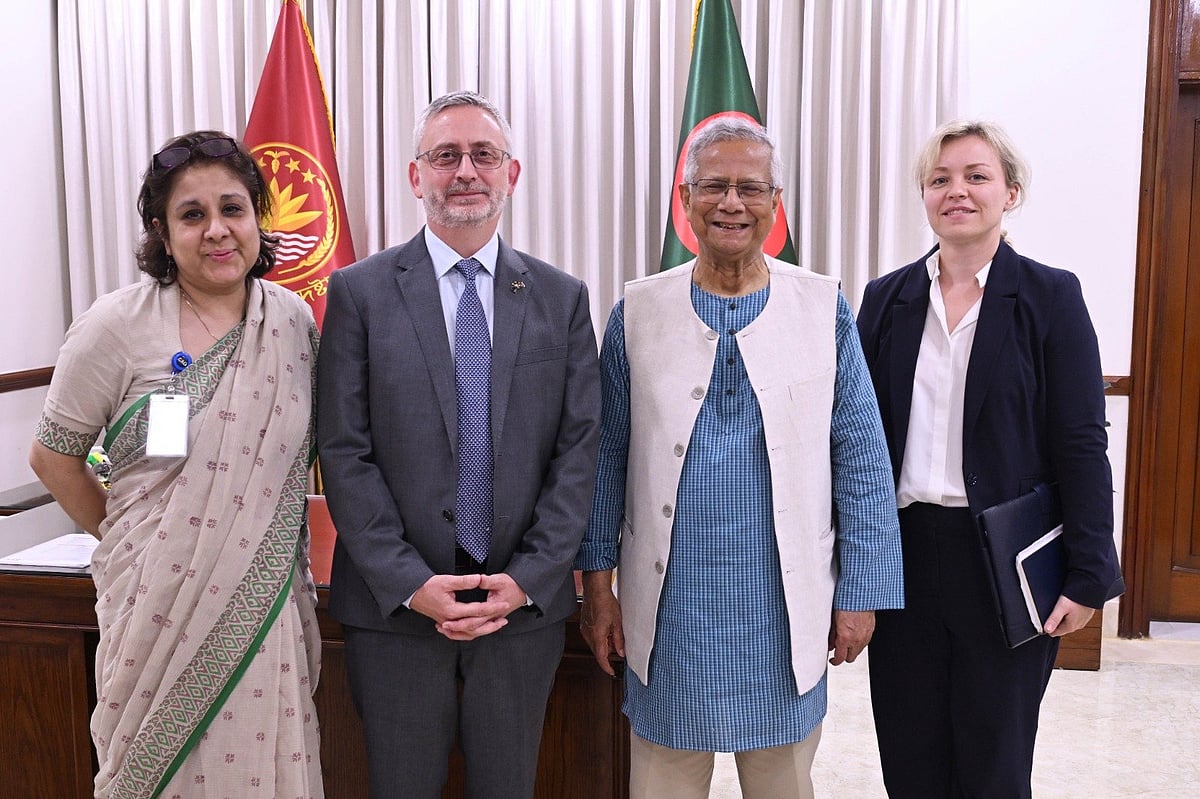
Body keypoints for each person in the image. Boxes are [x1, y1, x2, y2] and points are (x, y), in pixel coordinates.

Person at [576, 116, 904, 799]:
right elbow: (604, 461)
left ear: (775, 203)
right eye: (714, 186)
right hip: (670, 611)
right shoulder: (636, 312)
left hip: (782, 606)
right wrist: (598, 588)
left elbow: (863, 458)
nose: (732, 203)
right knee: (663, 779)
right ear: (686, 200)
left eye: (750, 188)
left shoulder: (824, 308)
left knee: (782, 780)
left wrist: (862, 592)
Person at [315, 90, 601, 799]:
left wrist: (530, 577)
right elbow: (343, 450)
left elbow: (579, 449)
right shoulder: (358, 292)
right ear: (417, 176)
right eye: (446, 156)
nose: (465, 171)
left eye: (484, 155)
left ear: (513, 172)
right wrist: (410, 582)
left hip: (520, 610)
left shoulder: (561, 297)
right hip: (395, 611)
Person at [29, 130, 323, 798]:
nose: (217, 230)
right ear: (163, 232)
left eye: (233, 208)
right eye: (193, 215)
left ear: (257, 217)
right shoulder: (117, 325)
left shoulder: (293, 323)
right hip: (152, 611)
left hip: (263, 616)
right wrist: (140, 542)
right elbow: (52, 457)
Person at [856, 120, 1125, 797]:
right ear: (923, 194)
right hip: (905, 557)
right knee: (910, 758)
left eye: (976, 176)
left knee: (994, 764)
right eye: (940, 178)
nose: (958, 191)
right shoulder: (885, 299)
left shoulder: (1050, 297)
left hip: (1006, 559)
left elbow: (1082, 441)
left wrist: (1090, 572)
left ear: (1011, 191)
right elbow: (855, 444)